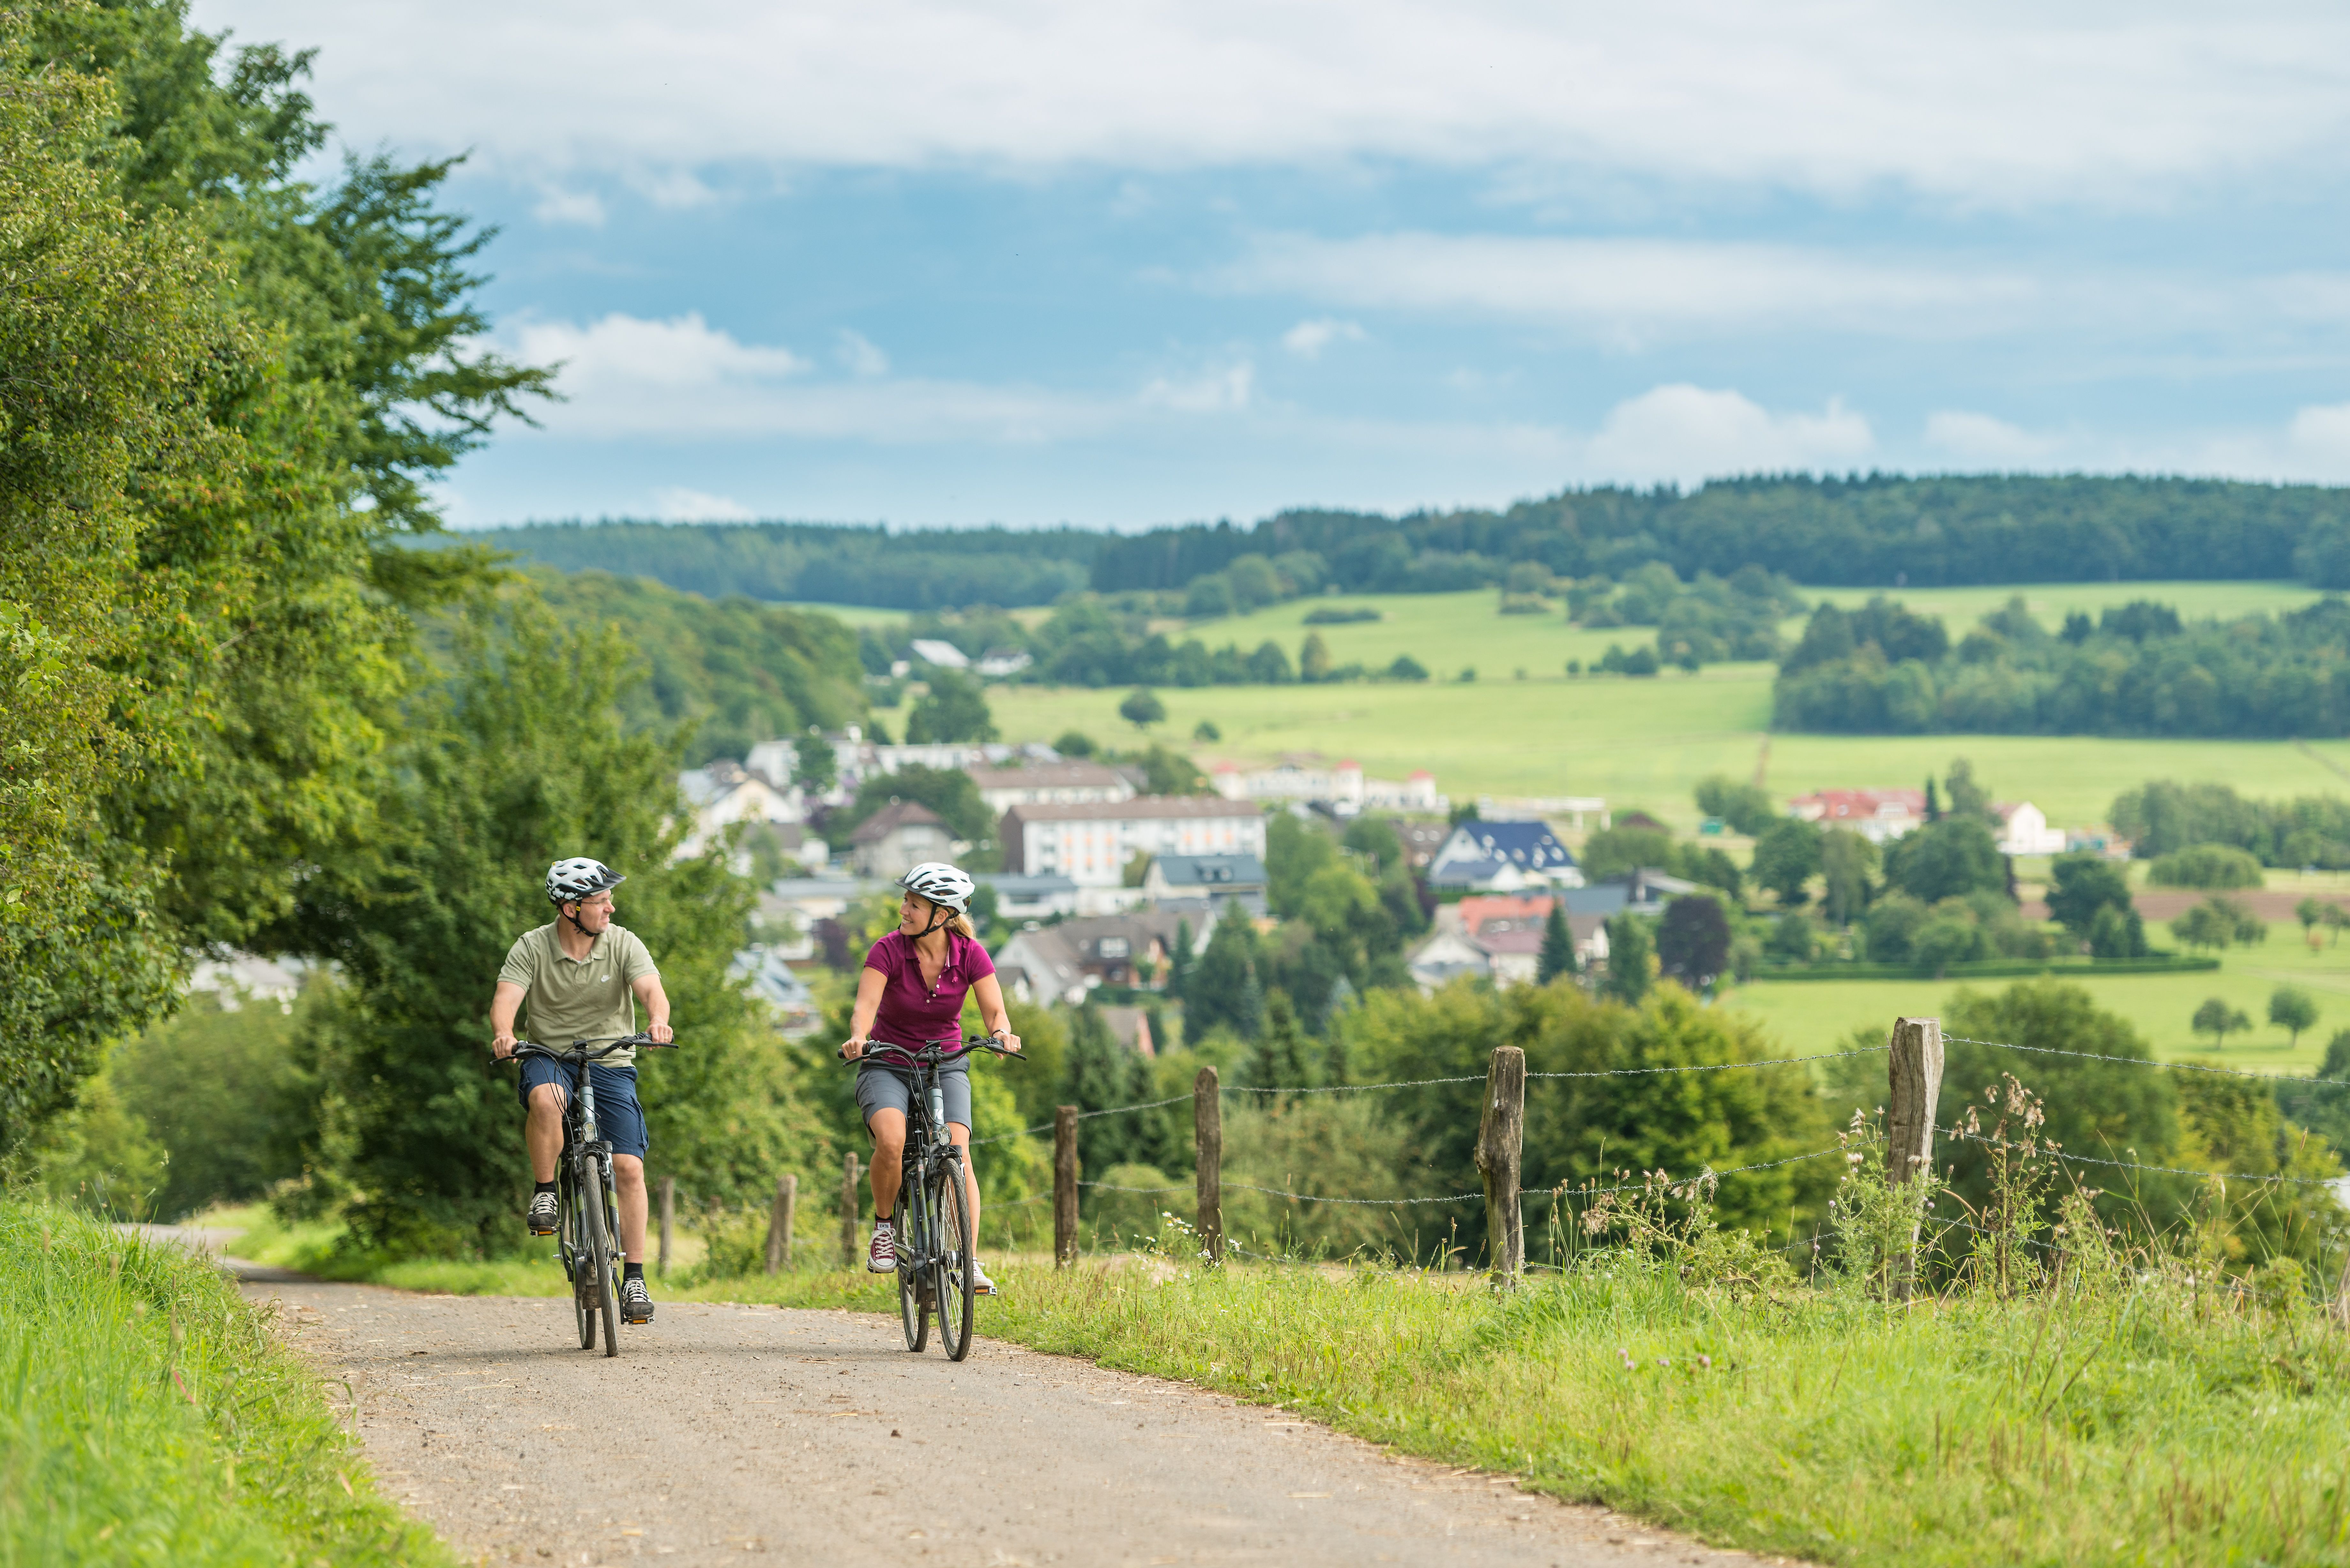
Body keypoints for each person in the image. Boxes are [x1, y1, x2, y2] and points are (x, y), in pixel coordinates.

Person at [490, 857, 673, 1324]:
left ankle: (634, 1278)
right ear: (572, 909)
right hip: (549, 1055)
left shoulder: (623, 943)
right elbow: (506, 999)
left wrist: (658, 1020)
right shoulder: (532, 946)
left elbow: (651, 990)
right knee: (546, 1099)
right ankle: (546, 1191)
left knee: (629, 1168)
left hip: (610, 1059)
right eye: (601, 901)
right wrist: (505, 1034)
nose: (611, 908)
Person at [840, 862, 1021, 1295]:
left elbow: (995, 1011)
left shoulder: (970, 954)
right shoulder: (887, 950)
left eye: (914, 904)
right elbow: (864, 1008)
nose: (904, 910)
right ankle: (885, 1228)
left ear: (942, 915)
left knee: (958, 1152)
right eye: (905, 901)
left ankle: (968, 1260)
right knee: (891, 1141)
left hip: (944, 1064)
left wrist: (1001, 1033)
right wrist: (859, 1037)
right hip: (887, 1062)